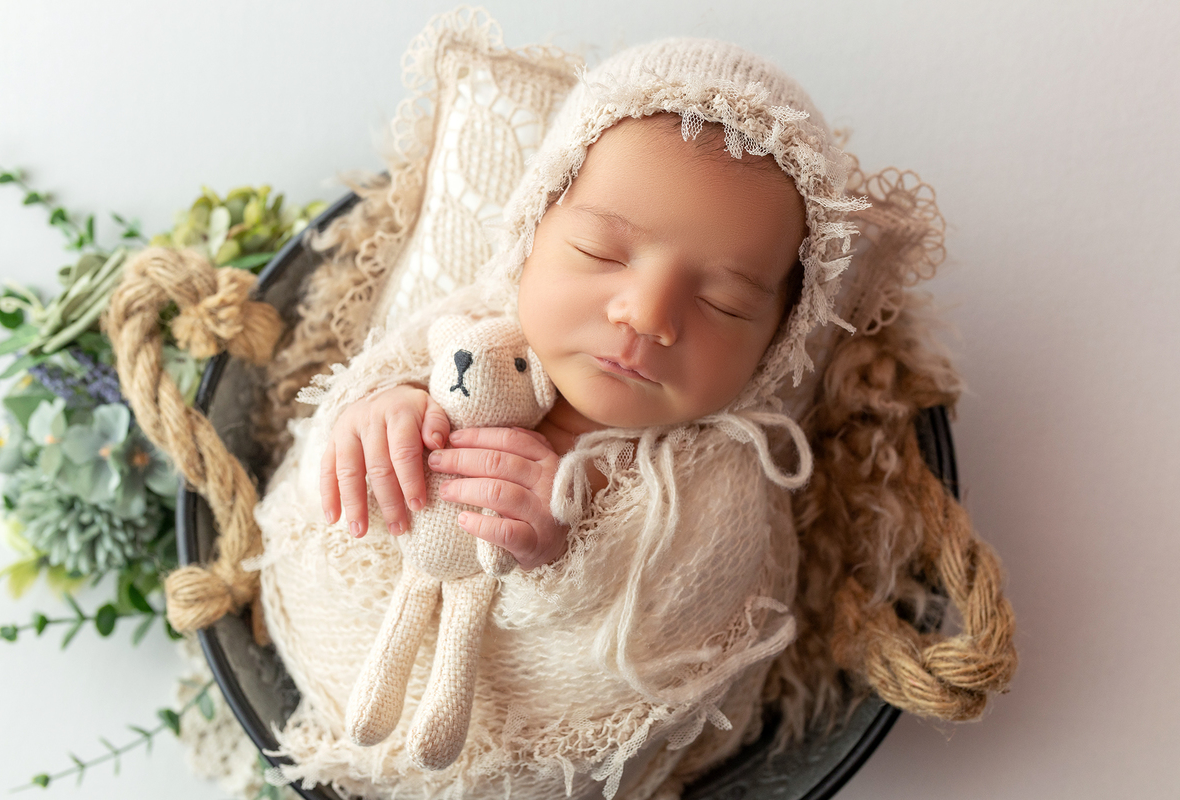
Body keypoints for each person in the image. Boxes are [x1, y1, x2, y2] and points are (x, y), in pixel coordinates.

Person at [255, 35, 868, 800]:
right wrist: (377, 418)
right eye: (601, 252)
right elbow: (362, 393)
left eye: (723, 302)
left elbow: (683, 619)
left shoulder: (722, 475)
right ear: (531, 231)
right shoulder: (472, 328)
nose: (647, 316)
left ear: (778, 343)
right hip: (338, 660)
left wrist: (570, 558)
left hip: (545, 754)